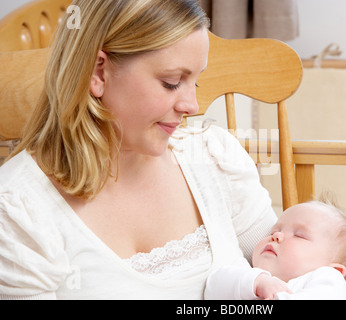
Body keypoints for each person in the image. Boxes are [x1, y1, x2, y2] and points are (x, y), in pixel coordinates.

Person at [0, 0, 277, 300]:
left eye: (195, 83)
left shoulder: (215, 158)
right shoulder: (19, 210)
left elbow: (297, 271)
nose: (192, 106)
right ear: (98, 73)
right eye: (171, 83)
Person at [204, 199, 346, 300]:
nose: (277, 236)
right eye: (274, 231)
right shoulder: (247, 271)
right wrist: (258, 282)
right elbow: (212, 288)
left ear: (334, 269)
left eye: (299, 235)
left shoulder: (329, 282)